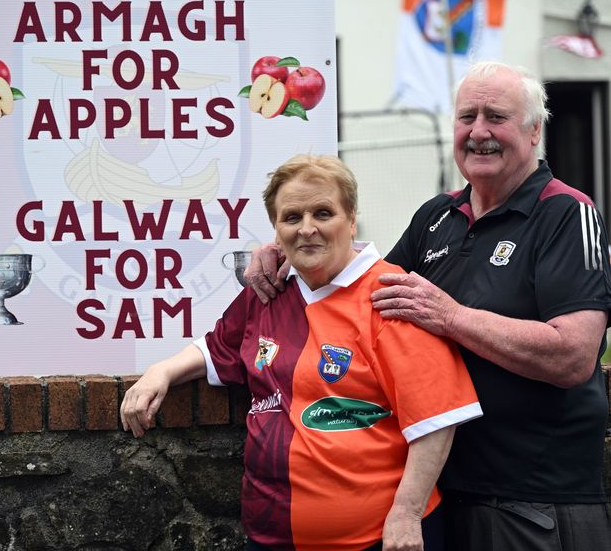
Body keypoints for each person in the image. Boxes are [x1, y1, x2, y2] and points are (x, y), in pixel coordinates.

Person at [246, 62, 611, 551]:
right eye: (467, 117)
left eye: (496, 117)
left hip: (533, 502)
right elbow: (358, 289)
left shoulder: (568, 213)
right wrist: (285, 249)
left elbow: (573, 355)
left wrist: (452, 317)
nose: (479, 131)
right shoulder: (437, 216)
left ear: (534, 131)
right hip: (442, 496)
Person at [120, 154, 482, 551]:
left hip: (377, 539)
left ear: (352, 219)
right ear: (276, 230)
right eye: (291, 217)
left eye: (323, 213)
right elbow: (218, 348)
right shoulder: (267, 292)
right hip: (269, 537)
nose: (307, 229)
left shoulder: (392, 297)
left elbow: (437, 419)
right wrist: (161, 371)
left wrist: (407, 514)